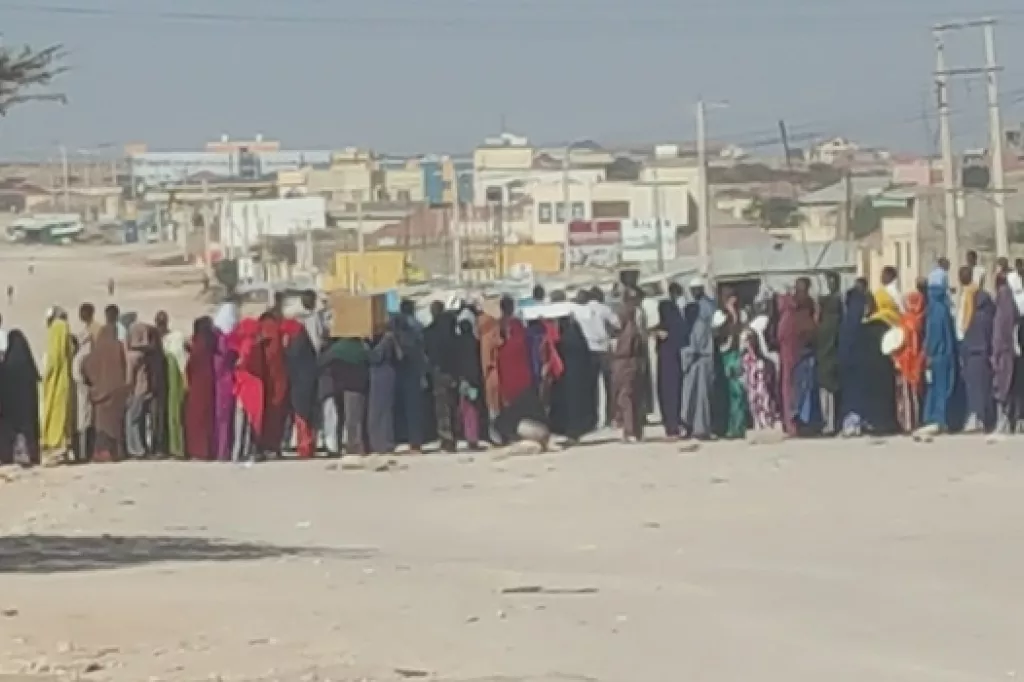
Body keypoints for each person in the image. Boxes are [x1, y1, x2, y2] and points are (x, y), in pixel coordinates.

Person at [82, 305, 128, 462]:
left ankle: (103, 452)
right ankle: (117, 452)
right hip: (118, 392)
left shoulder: (99, 349)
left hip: (102, 393)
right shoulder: (119, 346)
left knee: (102, 425)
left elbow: (88, 366)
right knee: (115, 424)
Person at [777, 278, 819, 436]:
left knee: (804, 387)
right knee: (790, 386)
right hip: (790, 350)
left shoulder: (808, 306)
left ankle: (803, 421)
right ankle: (792, 422)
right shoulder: (789, 305)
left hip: (803, 350)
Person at [919, 268, 958, 436]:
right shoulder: (940, 308)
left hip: (939, 353)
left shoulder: (934, 306)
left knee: (936, 387)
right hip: (941, 354)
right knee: (941, 387)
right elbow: (936, 333)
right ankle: (938, 419)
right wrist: (930, 352)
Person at [548, 312, 594, 445]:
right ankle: (575, 432)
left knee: (570, 405)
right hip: (577, 376)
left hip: (568, 377)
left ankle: (570, 431)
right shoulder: (576, 336)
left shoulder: (565, 338)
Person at [959, 265, 995, 433]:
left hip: (972, 352)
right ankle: (983, 419)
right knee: (983, 388)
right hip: (984, 353)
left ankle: (976, 419)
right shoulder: (988, 312)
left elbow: (964, 329)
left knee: (974, 388)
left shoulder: (970, 309)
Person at [285, 298, 322, 459]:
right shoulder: (306, 346)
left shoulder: (294, 347)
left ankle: (304, 447)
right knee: (309, 416)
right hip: (309, 381)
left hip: (299, 385)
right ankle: (309, 446)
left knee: (302, 418)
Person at [680, 277, 715, 440]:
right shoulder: (706, 306)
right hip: (700, 356)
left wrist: (688, 355)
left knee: (699, 395)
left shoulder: (702, 309)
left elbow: (699, 336)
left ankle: (700, 428)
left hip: (700, 356)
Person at [322, 336, 370, 455]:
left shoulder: (336, 348)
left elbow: (321, 362)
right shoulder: (361, 347)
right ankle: (354, 446)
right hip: (356, 386)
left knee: (340, 418)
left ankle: (337, 446)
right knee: (354, 419)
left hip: (338, 386)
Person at [0, 330, 41, 466]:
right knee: (29, 431)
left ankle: (6, 456)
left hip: (9, 408)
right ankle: (32, 455)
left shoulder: (7, 366)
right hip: (27, 408)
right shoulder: (26, 365)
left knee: (7, 430)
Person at [425, 301, 461, 452]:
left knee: (441, 407)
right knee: (453, 405)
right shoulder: (452, 331)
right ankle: (454, 436)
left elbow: (427, 354)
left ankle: (446, 438)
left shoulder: (430, 332)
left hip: (438, 372)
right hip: (452, 371)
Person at [40, 308, 74, 466]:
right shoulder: (64, 329)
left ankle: (56, 449)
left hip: (56, 380)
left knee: (55, 414)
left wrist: (47, 374)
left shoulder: (58, 328)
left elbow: (54, 358)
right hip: (63, 379)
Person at [611, 293, 646, 442]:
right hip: (633, 363)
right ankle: (635, 430)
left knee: (625, 397)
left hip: (625, 363)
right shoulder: (636, 327)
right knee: (633, 396)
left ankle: (630, 430)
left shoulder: (628, 330)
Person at [394, 299, 427, 452]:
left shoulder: (395, 328)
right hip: (414, 370)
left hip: (399, 371)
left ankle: (403, 437)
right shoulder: (417, 327)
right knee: (414, 408)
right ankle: (416, 441)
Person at [715, 288, 747, 439]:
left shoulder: (741, 314)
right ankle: (731, 427)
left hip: (737, 354)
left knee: (738, 391)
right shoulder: (721, 315)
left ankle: (739, 426)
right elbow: (718, 336)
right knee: (730, 392)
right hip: (726, 356)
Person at [893, 287, 926, 433]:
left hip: (906, 360)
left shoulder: (906, 320)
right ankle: (915, 421)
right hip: (916, 360)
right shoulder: (921, 319)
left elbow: (900, 340)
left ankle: (908, 423)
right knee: (914, 393)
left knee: (907, 394)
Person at [185, 317, 217, 460]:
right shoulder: (211, 342)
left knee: (196, 419)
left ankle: (198, 451)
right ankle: (209, 449)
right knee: (208, 417)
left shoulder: (198, 344)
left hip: (197, 385)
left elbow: (191, 366)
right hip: (210, 383)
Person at [654, 298, 687, 439]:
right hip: (672, 365)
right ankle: (673, 425)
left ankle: (672, 425)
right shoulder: (677, 324)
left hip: (668, 365)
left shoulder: (670, 327)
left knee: (670, 396)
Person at [367, 321, 401, 455]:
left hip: (381, 376)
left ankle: (382, 443)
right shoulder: (391, 339)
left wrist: (365, 346)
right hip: (387, 374)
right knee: (384, 410)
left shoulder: (386, 340)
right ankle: (384, 442)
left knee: (379, 412)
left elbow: (375, 356)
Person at [815, 272, 843, 435]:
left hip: (829, 357)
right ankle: (829, 423)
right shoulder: (830, 321)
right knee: (827, 390)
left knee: (828, 391)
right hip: (827, 357)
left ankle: (830, 423)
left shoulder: (830, 321)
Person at [258, 312, 289, 456]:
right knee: (277, 415)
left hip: (264, 379)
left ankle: (265, 445)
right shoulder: (279, 332)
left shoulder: (262, 332)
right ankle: (274, 446)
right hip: (278, 378)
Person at [991, 273, 1018, 433]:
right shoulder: (1011, 304)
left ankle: (1003, 422)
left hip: (1002, 352)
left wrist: (995, 354)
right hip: (1011, 352)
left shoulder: (1001, 307)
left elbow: (998, 334)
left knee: (1001, 387)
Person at [70, 303, 97, 462]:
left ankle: (84, 453)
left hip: (85, 381)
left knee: (85, 417)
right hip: (80, 381)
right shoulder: (84, 333)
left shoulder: (92, 333)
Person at [212, 301, 239, 460]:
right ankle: (224, 451)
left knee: (220, 418)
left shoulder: (215, 338)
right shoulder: (227, 340)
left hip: (219, 381)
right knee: (225, 419)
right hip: (227, 381)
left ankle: (221, 450)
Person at [741, 322, 779, 431]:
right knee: (754, 407)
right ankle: (758, 425)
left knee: (765, 405)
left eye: (746, 341)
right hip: (751, 387)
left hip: (762, 387)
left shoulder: (762, 360)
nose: (744, 343)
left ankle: (768, 425)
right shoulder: (745, 358)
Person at [124, 322, 155, 458]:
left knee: (132, 419)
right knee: (139, 419)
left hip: (137, 390)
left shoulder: (133, 356)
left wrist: (127, 391)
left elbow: (130, 378)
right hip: (144, 388)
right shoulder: (146, 353)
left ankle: (136, 449)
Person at [454, 317, 484, 450]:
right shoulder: (475, 342)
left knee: (465, 409)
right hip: (474, 379)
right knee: (473, 409)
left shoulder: (458, 344)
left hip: (464, 379)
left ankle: (468, 436)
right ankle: (474, 437)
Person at [161, 322, 187, 459]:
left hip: (174, 388)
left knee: (175, 417)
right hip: (171, 388)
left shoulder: (172, 348)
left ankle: (177, 448)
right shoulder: (169, 344)